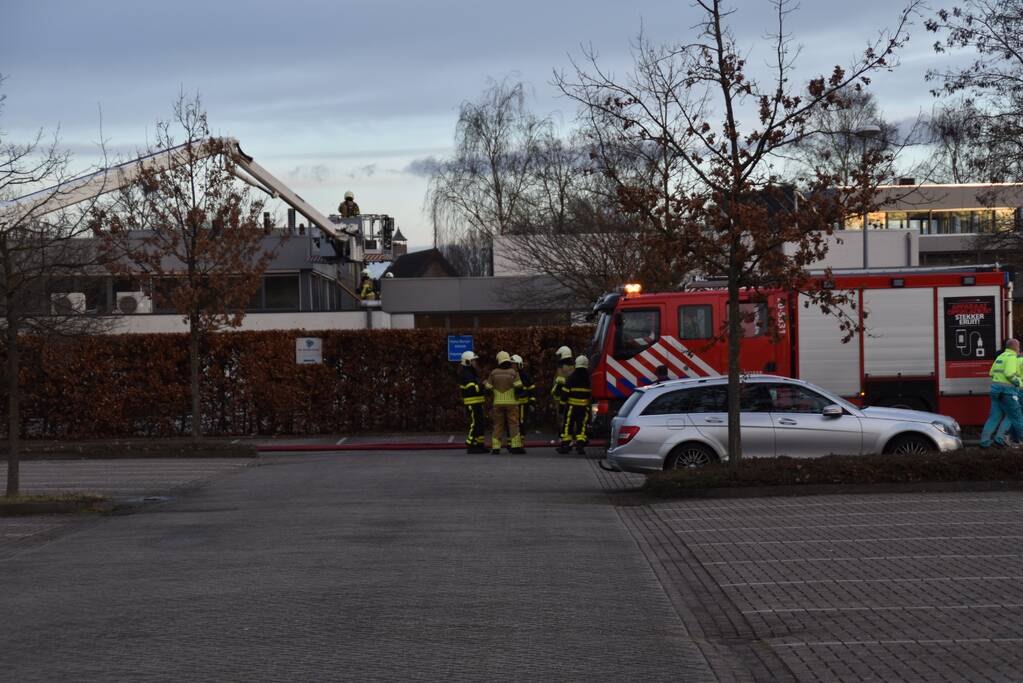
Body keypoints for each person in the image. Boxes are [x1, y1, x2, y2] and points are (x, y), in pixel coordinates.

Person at [980, 338, 1023, 448]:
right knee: (1017, 418)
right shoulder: (1012, 357)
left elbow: (991, 372)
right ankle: (999, 439)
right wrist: (1018, 382)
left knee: (994, 417)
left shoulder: (1001, 356)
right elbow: (1009, 374)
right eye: (1018, 346)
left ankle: (984, 442)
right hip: (1007, 392)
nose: (1019, 348)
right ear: (1015, 347)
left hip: (995, 392)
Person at [486, 351, 525, 455]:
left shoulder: (493, 373)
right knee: (513, 424)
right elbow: (519, 387)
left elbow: (488, 388)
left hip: (497, 403)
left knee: (498, 425)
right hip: (512, 403)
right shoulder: (513, 372)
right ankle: (516, 446)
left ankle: (495, 448)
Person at [556, 355, 592, 455]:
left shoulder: (572, 377)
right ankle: (580, 446)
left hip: (571, 407)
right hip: (584, 408)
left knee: (568, 426)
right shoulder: (588, 379)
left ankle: (566, 446)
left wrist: (561, 407)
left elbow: (565, 393)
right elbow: (589, 395)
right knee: (582, 426)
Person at [458, 351, 488, 454]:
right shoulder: (466, 374)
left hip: (477, 402)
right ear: (467, 361)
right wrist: (482, 385)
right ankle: (470, 444)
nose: (476, 363)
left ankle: (479, 444)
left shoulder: (471, 372)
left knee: (480, 424)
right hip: (472, 403)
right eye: (473, 360)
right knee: (475, 423)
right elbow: (472, 389)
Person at [511, 354, 536, 448]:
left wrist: (532, 402)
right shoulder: (510, 374)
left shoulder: (524, 376)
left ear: (519, 365)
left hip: (522, 404)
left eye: (514, 364)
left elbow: (532, 389)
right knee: (513, 423)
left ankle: (520, 442)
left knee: (521, 422)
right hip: (512, 404)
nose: (512, 366)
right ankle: (513, 442)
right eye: (511, 364)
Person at [551, 346, 574, 426]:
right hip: (571, 396)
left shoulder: (561, 369)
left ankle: (563, 433)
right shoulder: (573, 368)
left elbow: (559, 382)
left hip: (560, 397)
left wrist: (554, 393)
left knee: (561, 416)